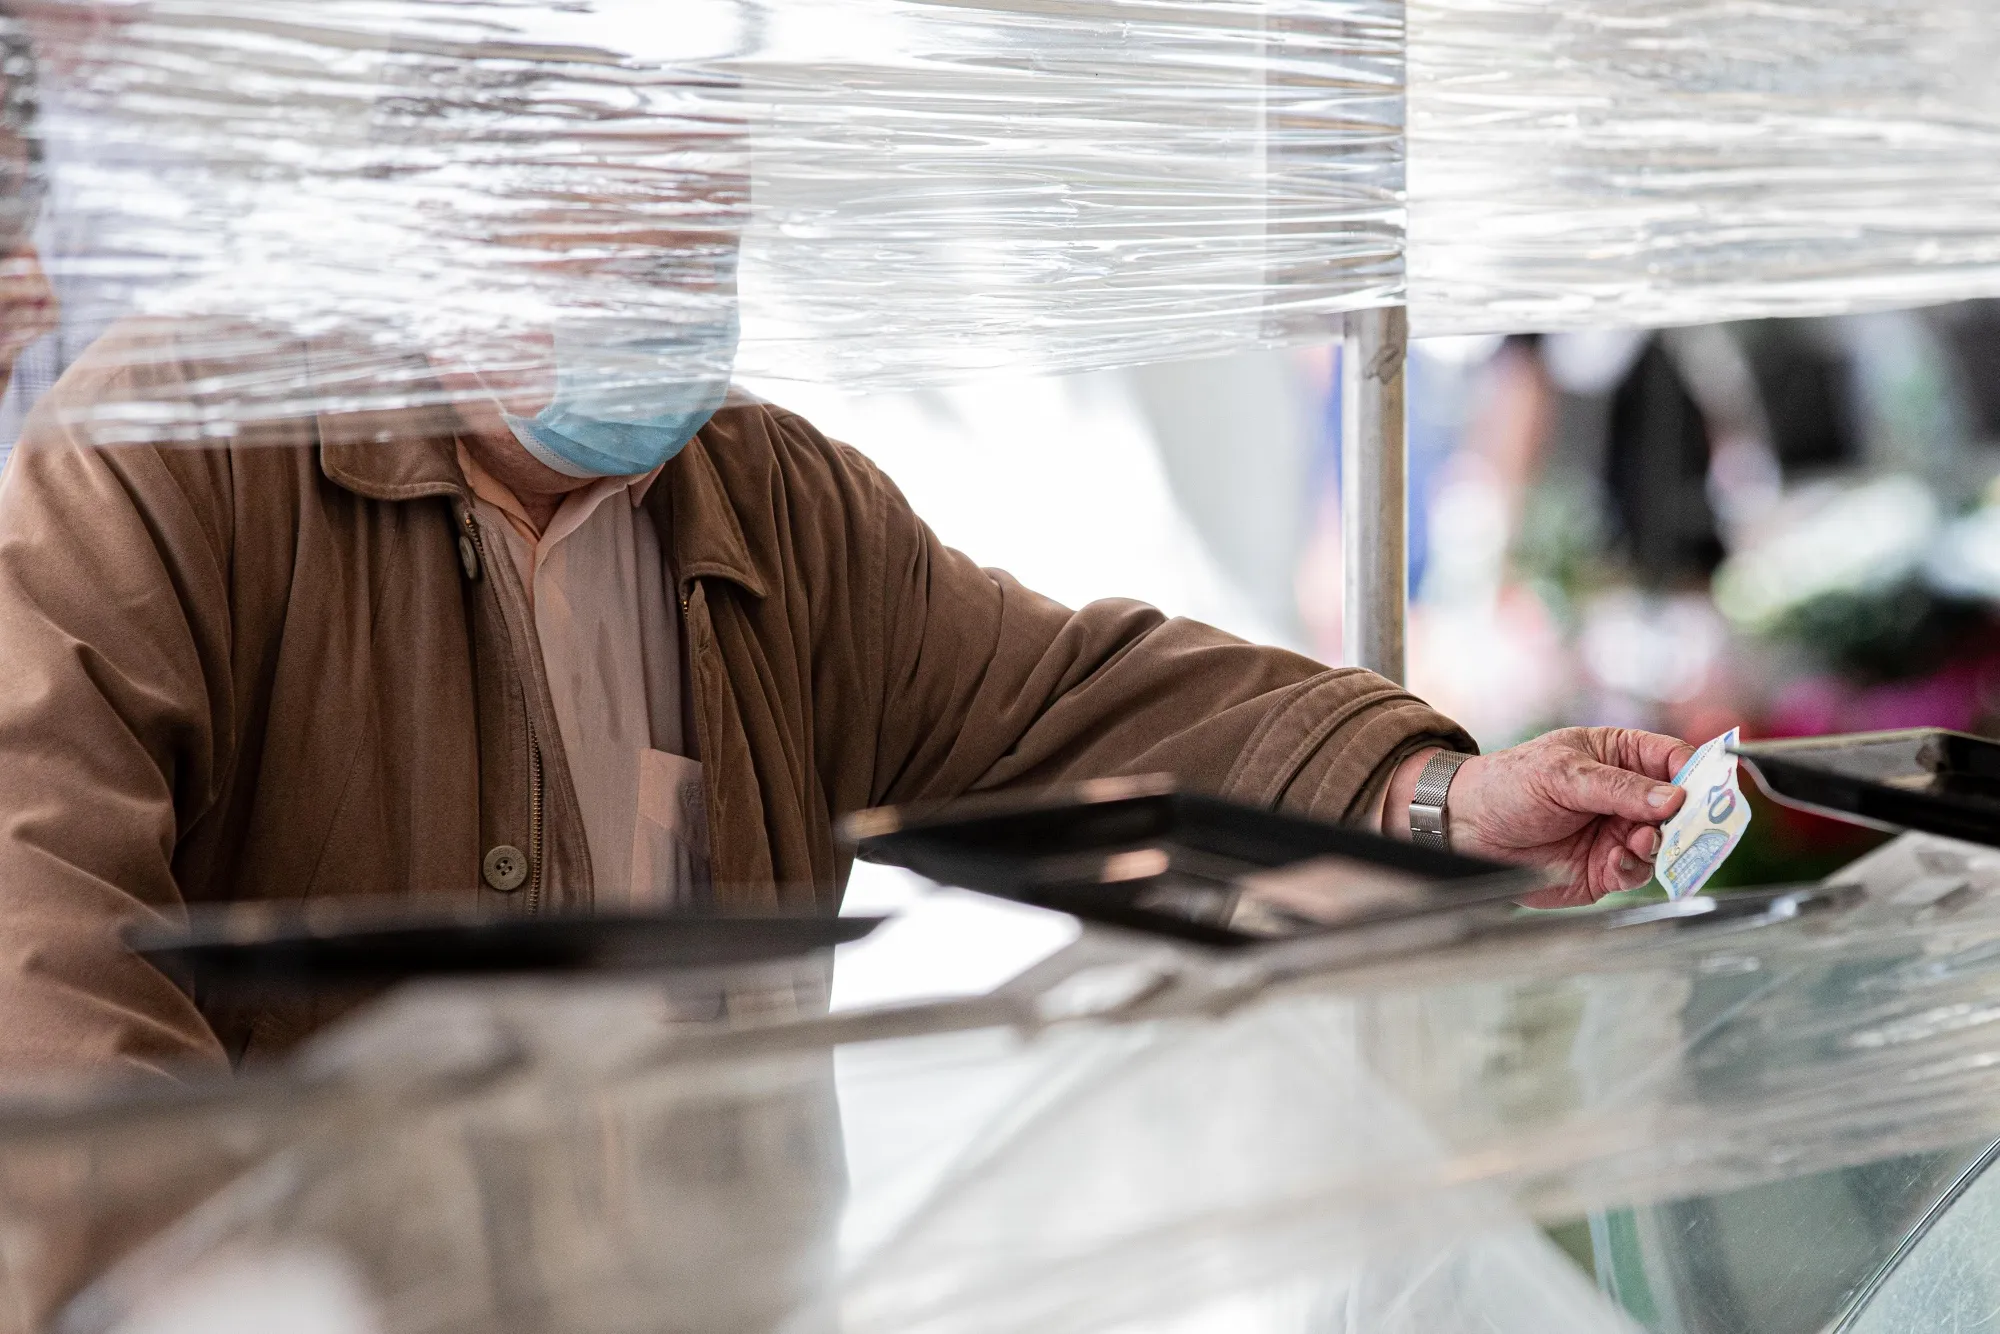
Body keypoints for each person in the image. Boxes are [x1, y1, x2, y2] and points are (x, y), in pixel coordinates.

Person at [0, 38, 1694, 1087]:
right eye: (630, 254)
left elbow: (1069, 707)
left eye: (703, 253)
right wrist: (212, 1267)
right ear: (441, 253)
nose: (679, 308)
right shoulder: (176, 460)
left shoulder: (762, 502)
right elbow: (37, 911)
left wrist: (1431, 800)